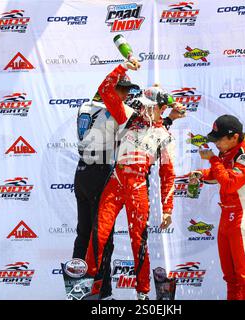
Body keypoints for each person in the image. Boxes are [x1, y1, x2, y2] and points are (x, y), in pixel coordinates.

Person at [73, 59, 184, 299]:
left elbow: (168, 174)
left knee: (138, 241)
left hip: (137, 187)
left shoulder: (165, 135)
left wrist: (167, 210)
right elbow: (105, 90)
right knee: (98, 236)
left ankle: (143, 293)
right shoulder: (129, 117)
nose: (155, 110)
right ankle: (92, 292)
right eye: (153, 105)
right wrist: (123, 67)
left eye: (158, 108)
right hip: (116, 181)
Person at [190, 114, 245, 300]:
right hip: (227, 217)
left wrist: (212, 160)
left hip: (243, 217)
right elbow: (218, 174)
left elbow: (229, 182)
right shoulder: (228, 152)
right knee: (231, 278)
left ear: (234, 137)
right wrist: (200, 174)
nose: (216, 144)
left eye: (219, 139)